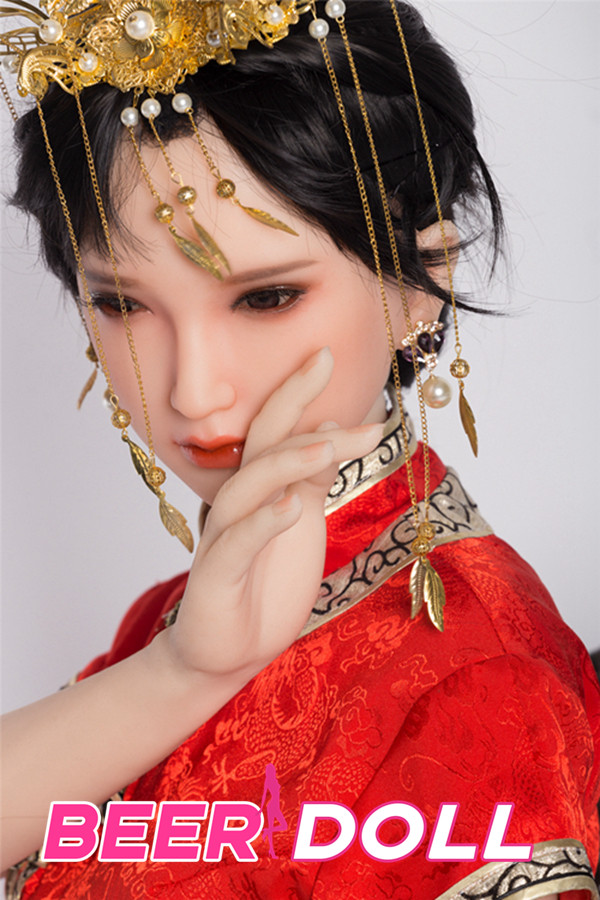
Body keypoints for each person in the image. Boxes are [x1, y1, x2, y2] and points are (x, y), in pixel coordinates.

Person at [0, 1, 599, 898]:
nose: (193, 391)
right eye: (122, 303)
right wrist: (181, 674)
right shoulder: (177, 622)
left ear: (423, 282)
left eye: (266, 298)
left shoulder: (478, 678)